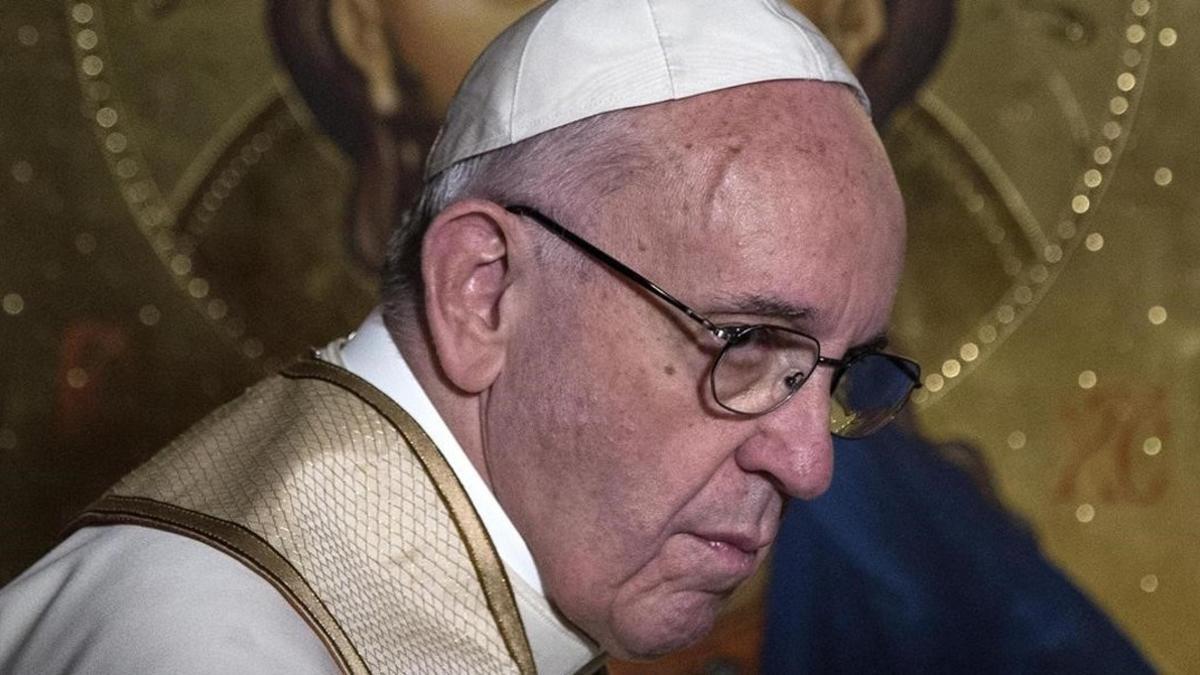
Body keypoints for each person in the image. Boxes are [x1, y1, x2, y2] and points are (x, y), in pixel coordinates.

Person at [0, 0, 920, 672]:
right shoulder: (208, 649)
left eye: (840, 375)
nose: (809, 466)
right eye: (747, 341)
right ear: (483, 292)